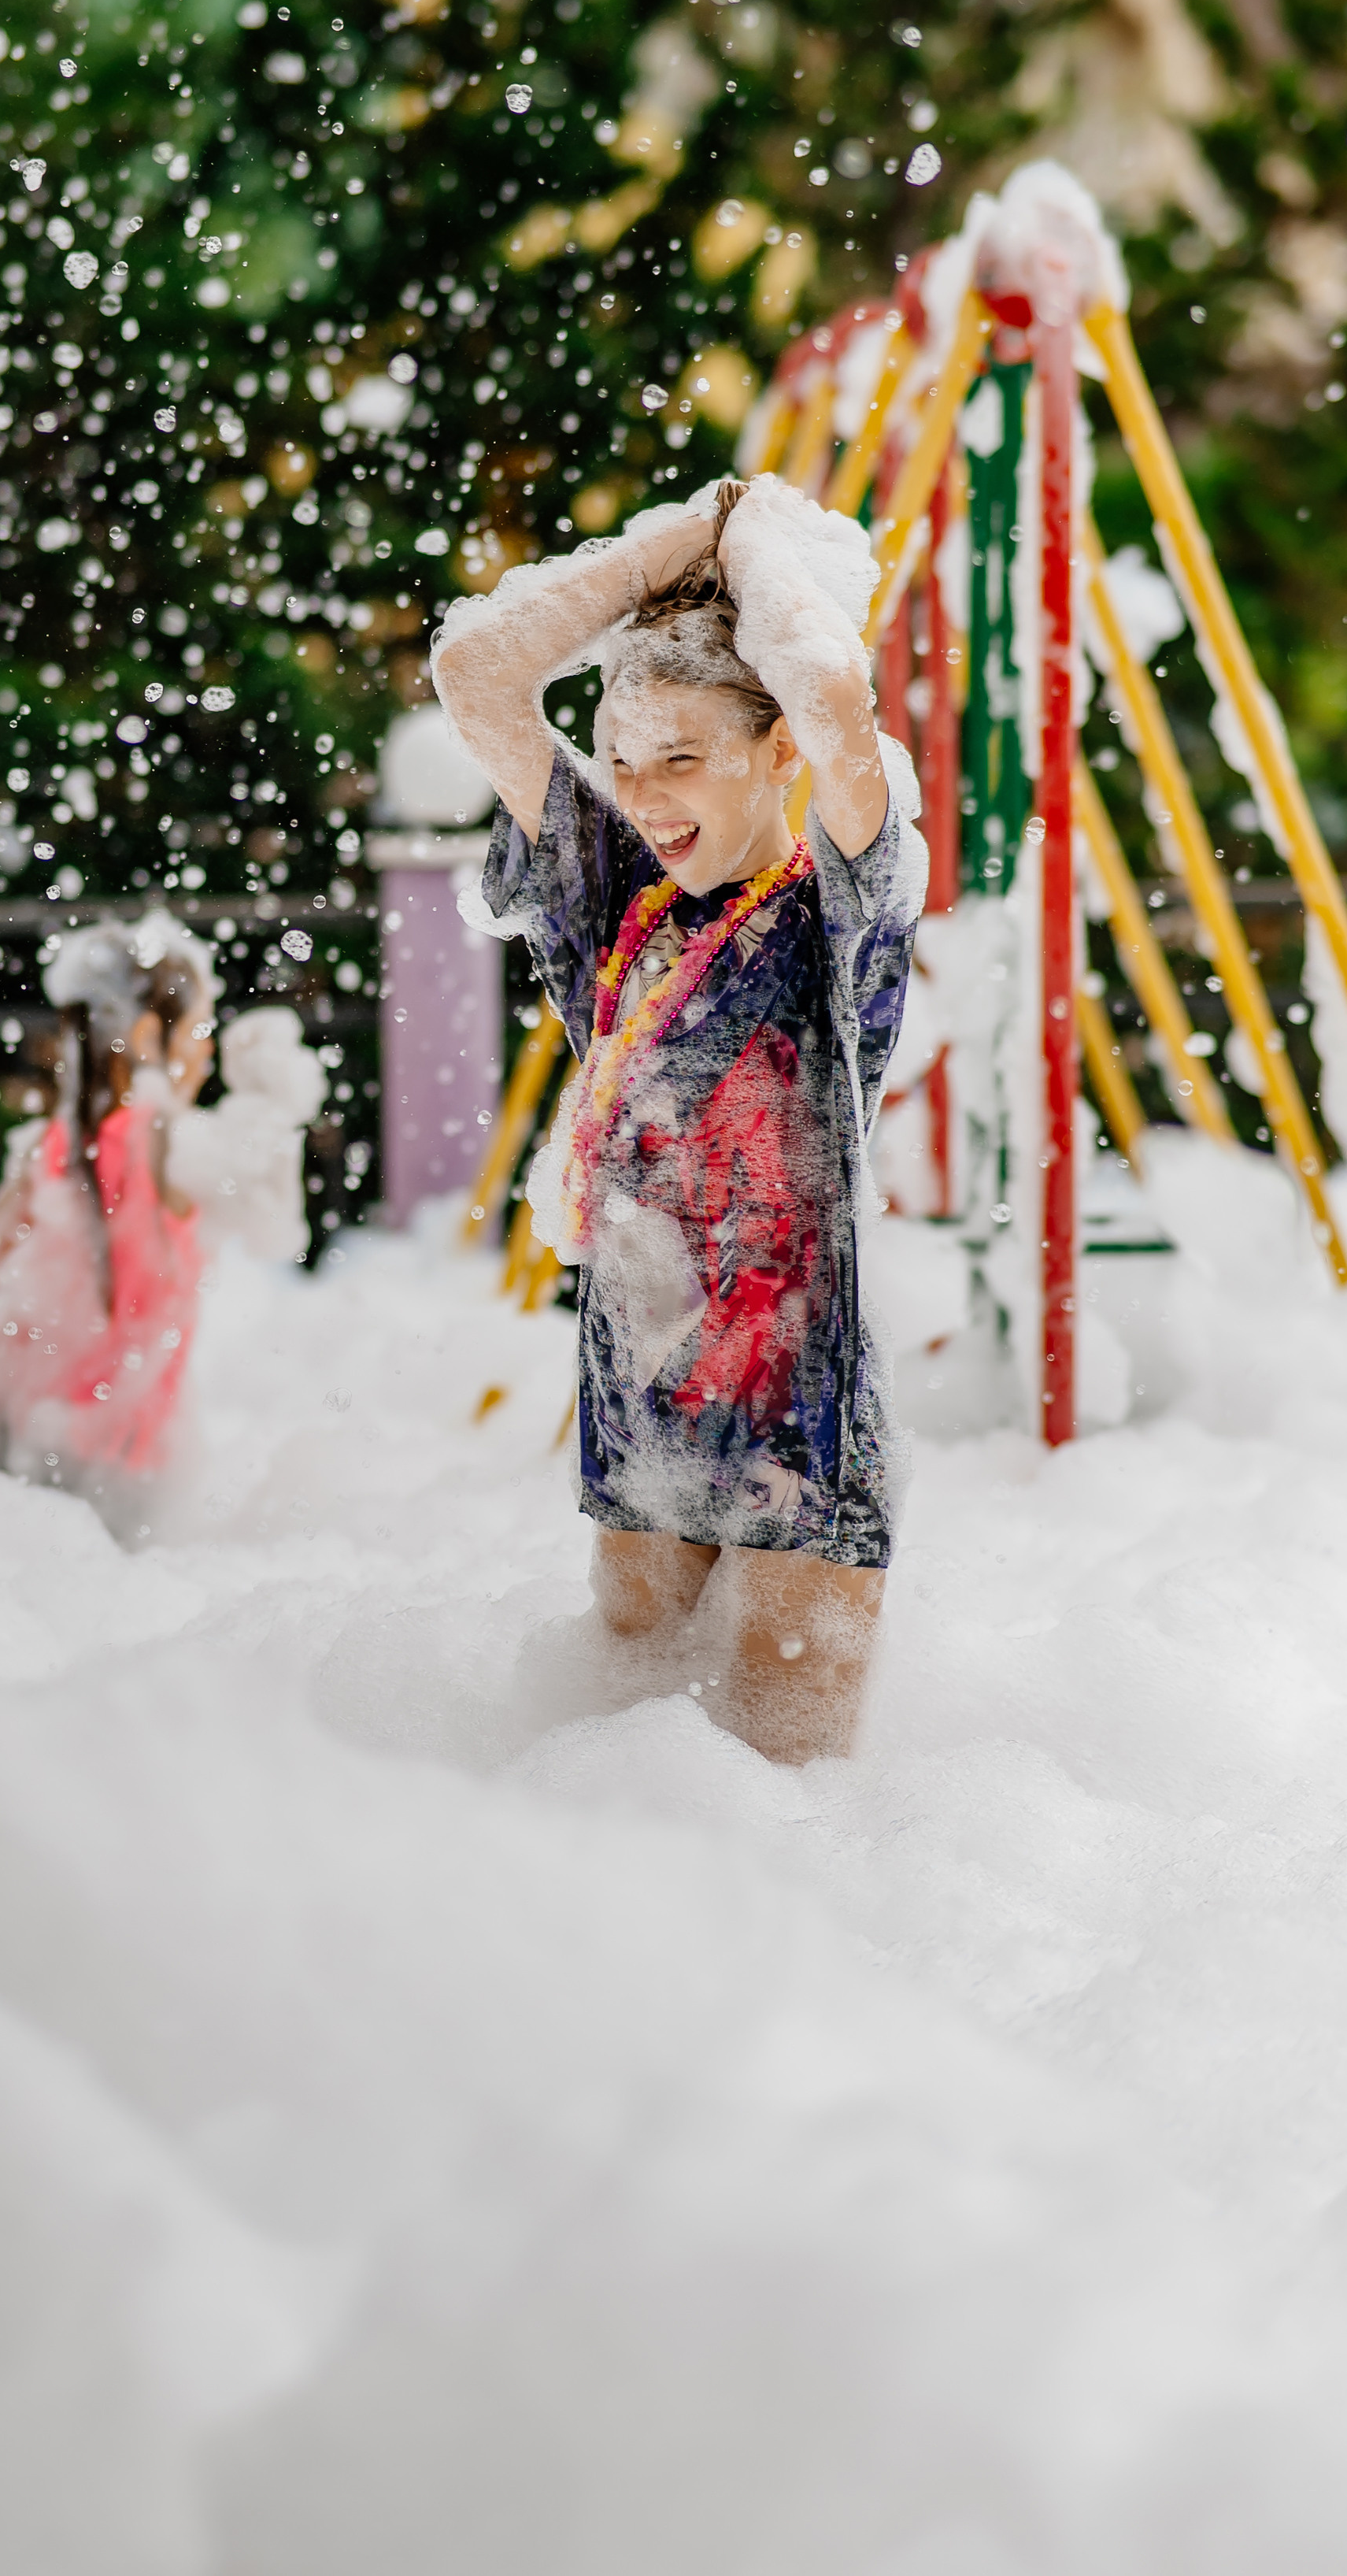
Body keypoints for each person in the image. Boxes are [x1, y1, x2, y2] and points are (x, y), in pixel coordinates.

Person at [432, 474, 925, 1763]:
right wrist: (662, 551)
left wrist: (753, 538)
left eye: (685, 757)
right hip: (638, 1411)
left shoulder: (839, 908)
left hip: (795, 1432)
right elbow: (479, 670)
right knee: (622, 1821)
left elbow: (828, 691)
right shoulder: (619, 897)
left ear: (774, 756)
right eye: (628, 757)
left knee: (779, 1831)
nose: (646, 796)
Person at [0, 912, 219, 1521]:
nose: (209, 1049)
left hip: (29, 1446)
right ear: (150, 1037)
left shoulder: (52, 1149)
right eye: (201, 1028)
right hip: (125, 1470)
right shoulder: (170, 1149)